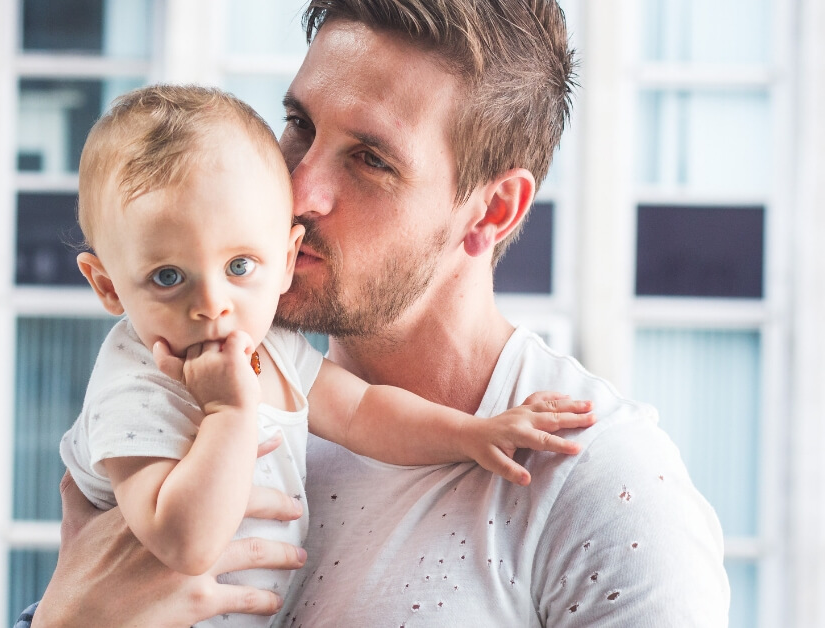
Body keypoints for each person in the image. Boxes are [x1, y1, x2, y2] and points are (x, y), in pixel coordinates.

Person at [19, 0, 730, 626]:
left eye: (369, 159)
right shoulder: (216, 399)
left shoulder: (603, 487)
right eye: (298, 123)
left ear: (493, 210)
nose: (295, 191)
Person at [60, 83, 594, 628]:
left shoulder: (274, 347)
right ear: (107, 286)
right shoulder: (137, 388)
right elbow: (186, 545)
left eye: (240, 267)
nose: (212, 305)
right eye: (168, 278)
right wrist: (228, 414)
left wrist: (472, 434)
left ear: (286, 258)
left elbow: (365, 411)